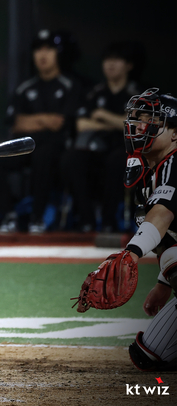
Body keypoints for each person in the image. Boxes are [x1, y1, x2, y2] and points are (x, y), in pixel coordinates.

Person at [95, 88, 176, 371]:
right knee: (148, 355)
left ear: (175, 134)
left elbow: (163, 214)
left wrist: (131, 253)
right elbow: (168, 237)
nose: (141, 126)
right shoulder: (148, 170)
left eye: (151, 121)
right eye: (138, 119)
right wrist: (164, 284)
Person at [0, 29, 85, 234]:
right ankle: (8, 215)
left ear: (58, 54)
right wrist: (44, 119)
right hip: (25, 145)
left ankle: (37, 218)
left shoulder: (70, 85)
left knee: (44, 155)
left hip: (56, 146)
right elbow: (16, 124)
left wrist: (33, 120)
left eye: (49, 49)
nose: (42, 55)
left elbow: (59, 123)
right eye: (38, 50)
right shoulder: (25, 88)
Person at [61, 42, 142, 232]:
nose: (110, 64)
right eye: (107, 60)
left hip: (125, 149)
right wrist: (119, 122)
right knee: (72, 158)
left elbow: (138, 127)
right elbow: (81, 125)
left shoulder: (139, 94)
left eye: (117, 60)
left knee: (117, 161)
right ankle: (86, 220)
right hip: (96, 146)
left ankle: (108, 221)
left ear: (129, 65)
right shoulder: (94, 92)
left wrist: (102, 115)